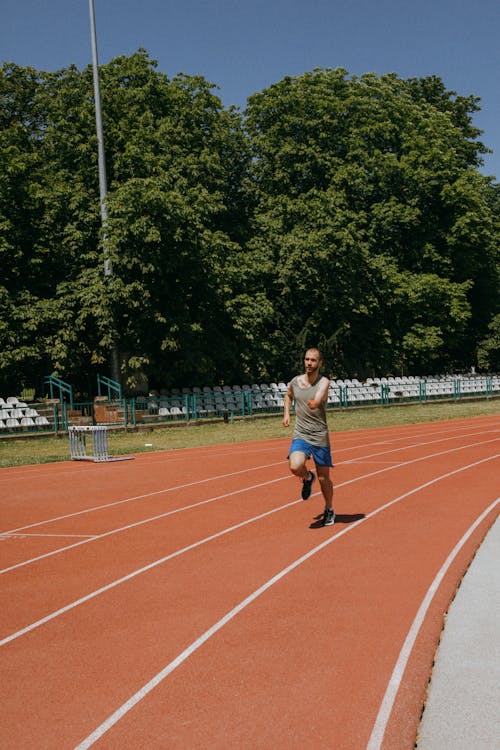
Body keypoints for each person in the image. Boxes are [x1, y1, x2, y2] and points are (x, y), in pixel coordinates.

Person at [282, 347, 335, 526]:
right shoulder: (295, 382)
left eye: (313, 360)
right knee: (295, 465)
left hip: (319, 435)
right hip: (301, 433)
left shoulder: (324, 382)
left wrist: (316, 402)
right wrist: (287, 414)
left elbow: (319, 396)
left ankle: (329, 509)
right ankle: (307, 478)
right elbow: (288, 396)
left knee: (323, 478)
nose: (309, 363)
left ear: (320, 363)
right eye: (306, 360)